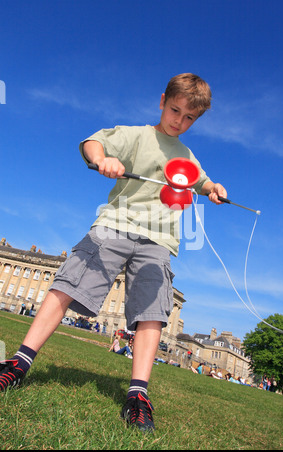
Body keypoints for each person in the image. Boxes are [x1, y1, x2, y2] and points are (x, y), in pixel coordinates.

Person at [0, 73, 227, 432]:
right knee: (68, 281)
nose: (179, 121)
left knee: (152, 310)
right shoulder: (137, 134)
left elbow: (201, 181)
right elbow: (93, 142)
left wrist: (213, 187)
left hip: (159, 240)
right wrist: (103, 159)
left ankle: (138, 396)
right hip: (116, 224)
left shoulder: (187, 156)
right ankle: (19, 362)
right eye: (175, 110)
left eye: (189, 118)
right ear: (162, 101)